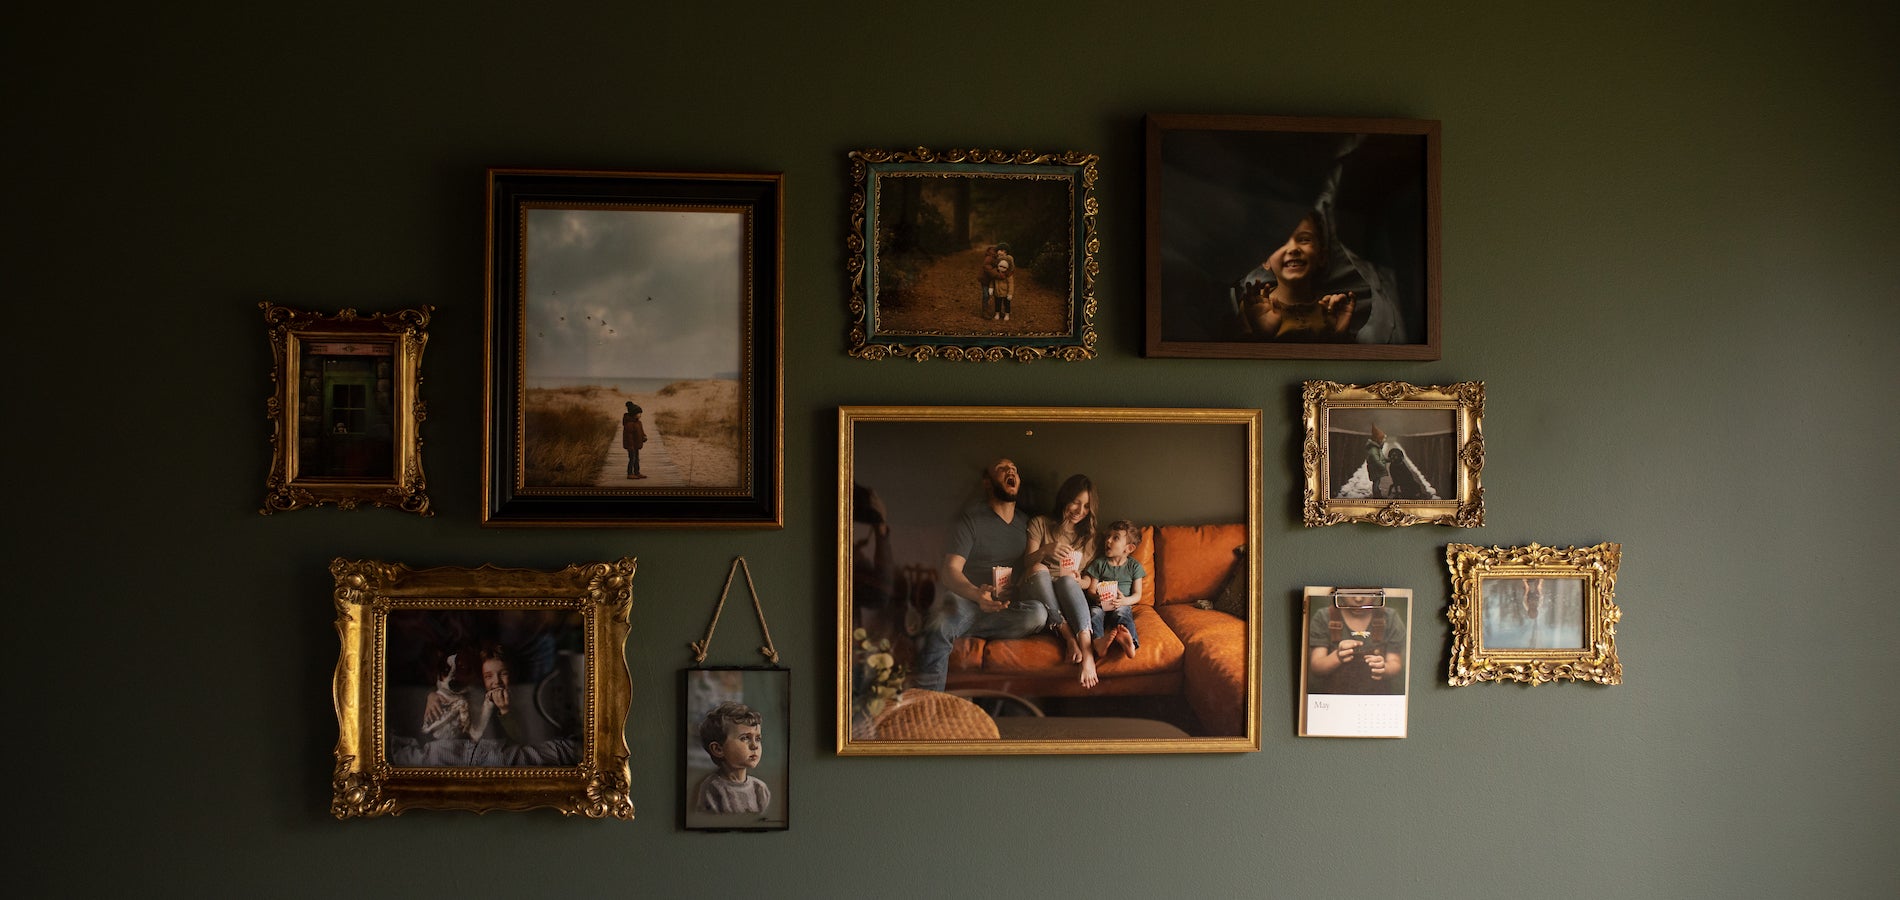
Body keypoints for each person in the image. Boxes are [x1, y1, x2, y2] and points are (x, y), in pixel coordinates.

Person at [912, 457, 1041, 692]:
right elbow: (950, 570)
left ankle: (968, 628)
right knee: (940, 623)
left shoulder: (1027, 525)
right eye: (1002, 469)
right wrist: (976, 593)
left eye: (1014, 469)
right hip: (967, 603)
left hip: (1005, 609)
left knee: (1038, 614)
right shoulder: (971, 519)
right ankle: (926, 704)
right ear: (987, 483)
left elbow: (1030, 571)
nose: (1010, 471)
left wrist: (1018, 588)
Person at [1020, 474, 1100, 686]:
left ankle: (1087, 653)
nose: (1079, 511)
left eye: (1086, 506)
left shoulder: (1087, 537)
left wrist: (1077, 580)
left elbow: (1088, 582)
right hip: (1038, 588)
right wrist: (1046, 550)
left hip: (1066, 592)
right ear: (1065, 498)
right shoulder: (1040, 523)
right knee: (1039, 567)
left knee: (1066, 581)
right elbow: (1027, 563)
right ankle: (1068, 638)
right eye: (1075, 502)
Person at [1236, 212, 1357, 341]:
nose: (1293, 248)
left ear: (1322, 257)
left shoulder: (1330, 311)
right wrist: (1261, 336)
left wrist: (1338, 336)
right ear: (1266, 260)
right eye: (1281, 242)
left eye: (1304, 239)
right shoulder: (1253, 306)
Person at [1307, 594, 1405, 695]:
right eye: (1351, 593)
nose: (1358, 599)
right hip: (1335, 700)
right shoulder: (1324, 617)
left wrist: (1384, 668)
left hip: (1375, 701)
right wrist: (1337, 657)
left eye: (1366, 594)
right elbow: (1316, 666)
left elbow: (1395, 663)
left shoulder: (1389, 618)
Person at [1080, 519, 1146, 665]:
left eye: (1115, 537)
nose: (1108, 540)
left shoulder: (1134, 566)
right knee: (1095, 613)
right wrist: (1096, 597)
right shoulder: (1099, 563)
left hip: (1120, 603)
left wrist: (1124, 601)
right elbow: (1091, 588)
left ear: (1129, 548)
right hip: (1101, 603)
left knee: (1122, 613)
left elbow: (1137, 595)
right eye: (1108, 536)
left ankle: (1129, 642)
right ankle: (1098, 641)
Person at [692, 701, 771, 815]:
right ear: (718, 749)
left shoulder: (760, 789)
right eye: (745, 738)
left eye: (758, 738)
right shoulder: (712, 789)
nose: (754, 746)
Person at [987, 243, 1015, 322]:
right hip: (997, 292)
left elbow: (1011, 284)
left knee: (1007, 304)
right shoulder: (996, 271)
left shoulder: (1008, 272)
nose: (1000, 252)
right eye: (999, 250)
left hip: (1006, 292)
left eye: (1002, 251)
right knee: (997, 303)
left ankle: (1007, 314)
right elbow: (993, 280)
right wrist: (991, 288)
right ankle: (997, 313)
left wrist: (1010, 293)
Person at [622, 401, 649, 479]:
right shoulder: (629, 424)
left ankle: (637, 472)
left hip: (636, 445)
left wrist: (644, 437)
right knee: (632, 459)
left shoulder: (638, 423)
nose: (640, 415)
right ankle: (630, 473)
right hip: (631, 446)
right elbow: (629, 437)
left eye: (640, 414)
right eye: (638, 414)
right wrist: (630, 446)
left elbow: (641, 432)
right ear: (633, 414)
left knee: (636, 459)